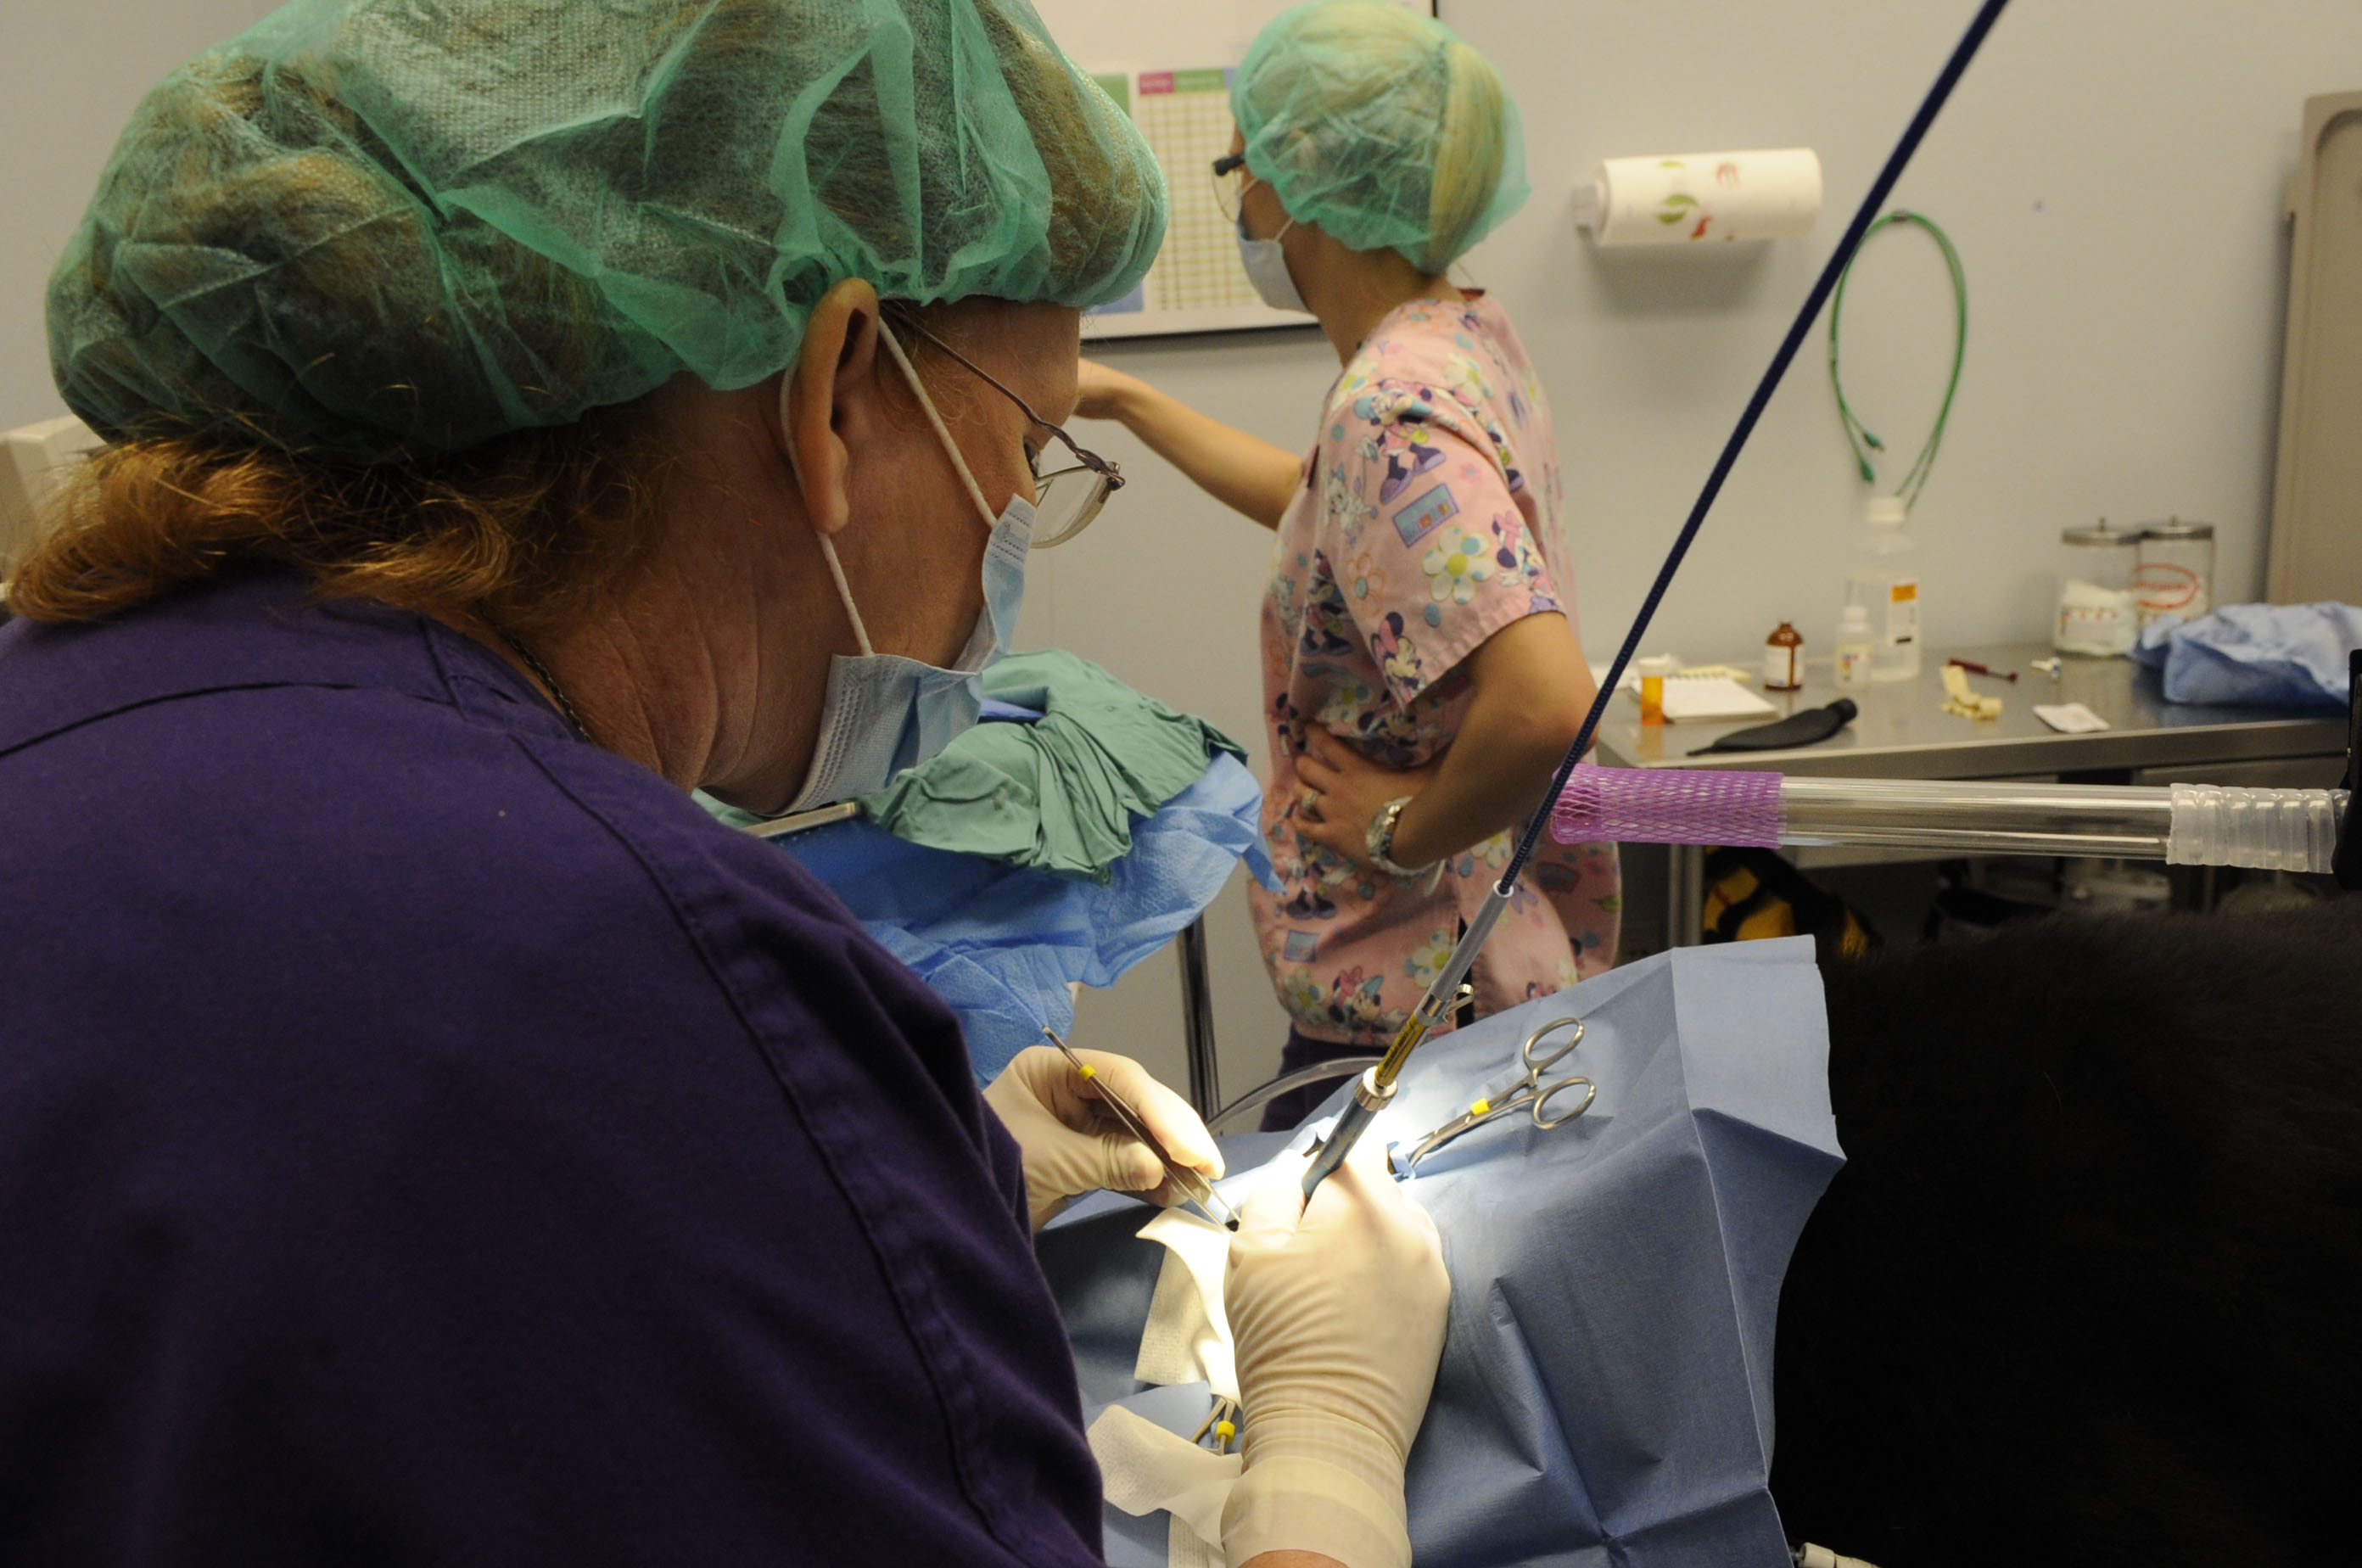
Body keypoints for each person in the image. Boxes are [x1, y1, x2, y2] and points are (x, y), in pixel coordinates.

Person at [0, 3, 1447, 1565]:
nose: (1020, 521)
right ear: (834, 393)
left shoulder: (60, 712)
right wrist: (1326, 1449)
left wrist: (926, 1176)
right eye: (1029, 453)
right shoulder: (622, 972)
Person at [1072, 2, 1620, 1124]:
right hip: (1476, 971)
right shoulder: (1460, 340)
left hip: (1414, 1021)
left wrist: (1396, 827)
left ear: (1302, 178)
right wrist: (1123, 399)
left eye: (1240, 167)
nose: (1242, 202)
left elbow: (1547, 701)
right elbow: (1342, 523)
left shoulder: (1389, 411)